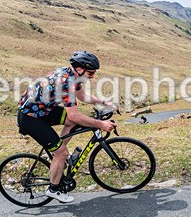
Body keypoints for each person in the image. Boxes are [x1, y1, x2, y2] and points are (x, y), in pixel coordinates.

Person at [17, 51, 116, 203]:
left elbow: (82, 97)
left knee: (70, 124)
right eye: (90, 72)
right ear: (80, 68)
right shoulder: (66, 83)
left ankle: (60, 156)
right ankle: (53, 189)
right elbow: (75, 115)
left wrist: (103, 102)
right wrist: (100, 124)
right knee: (62, 151)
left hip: (42, 111)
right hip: (31, 119)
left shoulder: (72, 75)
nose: (92, 76)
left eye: (94, 73)